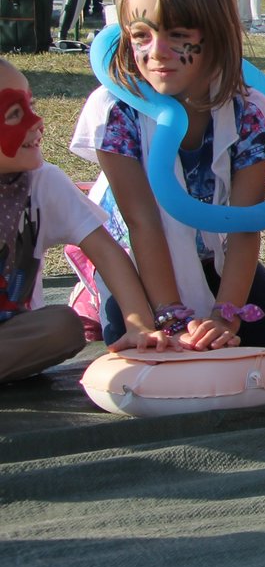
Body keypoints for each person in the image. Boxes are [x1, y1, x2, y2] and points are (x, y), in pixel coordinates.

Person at [69, 0, 265, 350]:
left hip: (213, 255)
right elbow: (143, 223)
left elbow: (246, 226)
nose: (156, 51)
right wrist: (171, 316)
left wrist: (225, 316)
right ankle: (93, 294)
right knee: (152, 348)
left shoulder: (248, 113)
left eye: (178, 34)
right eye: (141, 34)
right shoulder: (114, 114)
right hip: (135, 262)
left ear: (214, 34)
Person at [0, 59, 165, 382]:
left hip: (12, 335)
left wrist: (140, 325)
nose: (36, 122)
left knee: (64, 326)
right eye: (14, 114)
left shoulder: (42, 183)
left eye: (31, 106)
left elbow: (105, 250)